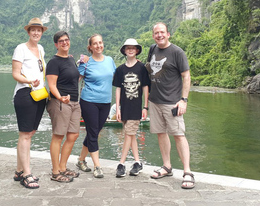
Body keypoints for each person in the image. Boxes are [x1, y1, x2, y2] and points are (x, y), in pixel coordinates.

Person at [146, 22, 195, 189]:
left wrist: (184, 100)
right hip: (154, 101)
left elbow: (186, 76)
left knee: (179, 135)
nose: (159, 35)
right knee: (160, 133)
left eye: (162, 32)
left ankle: (187, 171)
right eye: (156, 33)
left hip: (172, 102)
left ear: (168, 34)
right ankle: (167, 166)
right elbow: (149, 70)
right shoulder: (152, 49)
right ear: (153, 35)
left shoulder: (177, 52)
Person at [11, 17, 48, 189]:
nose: (36, 32)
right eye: (33, 30)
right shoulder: (21, 48)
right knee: (25, 134)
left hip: (39, 94)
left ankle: (19, 170)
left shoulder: (40, 49)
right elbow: (15, 73)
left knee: (29, 133)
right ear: (28, 32)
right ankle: (26, 174)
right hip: (25, 93)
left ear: (41, 33)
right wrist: (28, 81)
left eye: (38, 30)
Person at [76, 34, 116, 178]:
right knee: (93, 133)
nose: (98, 45)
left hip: (105, 102)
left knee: (94, 132)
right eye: (95, 43)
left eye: (100, 42)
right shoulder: (86, 62)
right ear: (90, 47)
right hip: (89, 101)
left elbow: (117, 78)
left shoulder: (110, 61)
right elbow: (75, 78)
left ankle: (81, 160)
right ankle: (97, 166)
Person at [45, 31, 81, 183]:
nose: (65, 43)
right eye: (61, 41)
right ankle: (55, 172)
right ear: (56, 44)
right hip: (60, 102)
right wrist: (60, 97)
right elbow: (51, 84)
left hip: (74, 102)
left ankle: (63, 167)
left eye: (66, 40)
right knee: (58, 136)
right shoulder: (54, 62)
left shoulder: (71, 60)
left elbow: (75, 78)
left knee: (73, 135)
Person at [113, 38, 150, 177]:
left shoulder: (141, 68)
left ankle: (121, 163)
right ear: (124, 50)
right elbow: (118, 89)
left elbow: (146, 87)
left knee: (128, 134)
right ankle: (137, 162)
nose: (130, 50)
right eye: (128, 48)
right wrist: (118, 109)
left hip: (136, 107)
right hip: (124, 108)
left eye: (133, 48)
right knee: (132, 135)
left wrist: (145, 107)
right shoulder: (120, 69)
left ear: (137, 50)